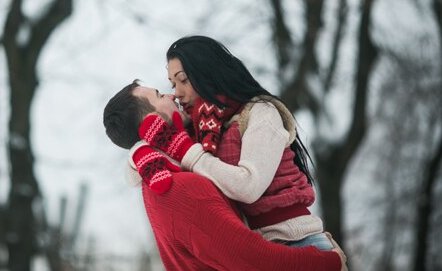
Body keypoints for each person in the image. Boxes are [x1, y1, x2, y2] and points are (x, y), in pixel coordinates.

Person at [103, 82, 347, 271]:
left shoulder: (160, 180)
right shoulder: (179, 187)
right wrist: (325, 262)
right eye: (158, 95)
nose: (171, 95)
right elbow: (249, 258)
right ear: (152, 122)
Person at [141, 34, 329, 249]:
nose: (177, 93)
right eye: (173, 83)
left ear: (208, 72)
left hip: (299, 242)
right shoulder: (199, 131)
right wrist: (140, 151)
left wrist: (187, 151)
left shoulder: (260, 112)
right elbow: (136, 174)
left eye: (183, 80)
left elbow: (248, 187)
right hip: (258, 250)